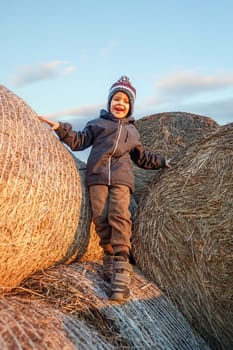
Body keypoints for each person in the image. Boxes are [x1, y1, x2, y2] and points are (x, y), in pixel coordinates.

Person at [39, 75, 170, 302]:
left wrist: (162, 162)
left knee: (119, 216)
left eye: (125, 101)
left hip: (121, 180)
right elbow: (79, 141)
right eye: (116, 99)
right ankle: (109, 256)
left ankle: (121, 267)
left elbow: (142, 157)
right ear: (109, 102)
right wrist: (61, 129)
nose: (120, 103)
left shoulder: (133, 132)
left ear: (130, 107)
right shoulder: (97, 124)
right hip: (97, 178)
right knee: (100, 218)